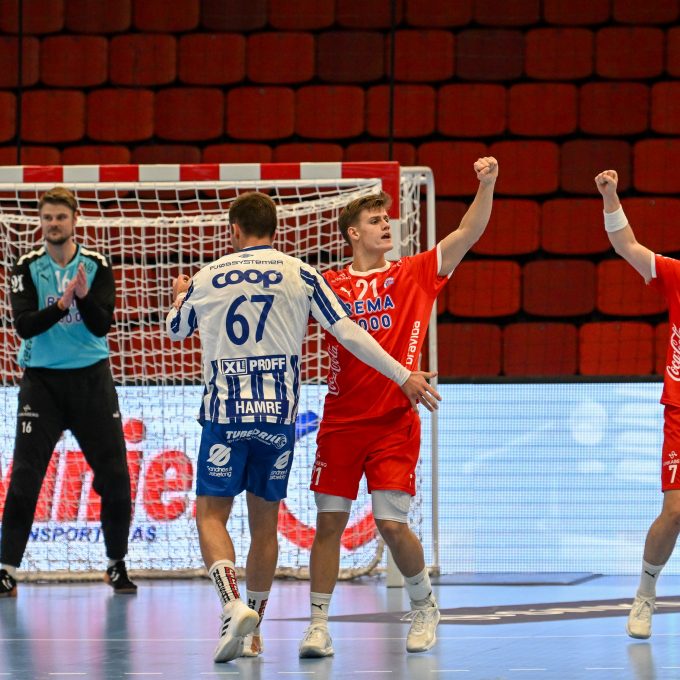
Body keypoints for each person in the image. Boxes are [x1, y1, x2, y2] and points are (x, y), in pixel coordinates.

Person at [165, 191, 440, 663]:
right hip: (277, 417)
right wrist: (402, 374)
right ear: (277, 228)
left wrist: (178, 297)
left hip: (226, 414)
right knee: (264, 525)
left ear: (234, 230)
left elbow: (174, 330)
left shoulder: (208, 276)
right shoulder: (302, 273)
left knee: (210, 515)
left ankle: (234, 608)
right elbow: (348, 331)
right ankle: (253, 627)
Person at [298, 157, 499, 658]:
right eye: (374, 220)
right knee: (328, 524)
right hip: (341, 422)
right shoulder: (328, 284)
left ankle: (424, 604)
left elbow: (468, 233)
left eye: (387, 218)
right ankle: (318, 626)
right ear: (353, 233)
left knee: (391, 525)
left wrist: (487, 183)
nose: (386, 225)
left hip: (393, 422)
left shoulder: (414, 273)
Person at [0, 186, 136, 598]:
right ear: (40, 222)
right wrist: (62, 304)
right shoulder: (26, 266)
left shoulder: (95, 265)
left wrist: (82, 296)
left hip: (91, 381)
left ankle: (116, 564)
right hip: (41, 383)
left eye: (61, 217)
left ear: (75, 219)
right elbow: (24, 326)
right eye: (48, 218)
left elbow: (101, 325)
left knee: (116, 476)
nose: (54, 224)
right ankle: (6, 569)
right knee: (25, 477)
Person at [595, 169, 680, 639]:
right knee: (675, 511)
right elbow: (626, 246)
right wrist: (611, 197)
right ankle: (646, 595)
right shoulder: (677, 276)